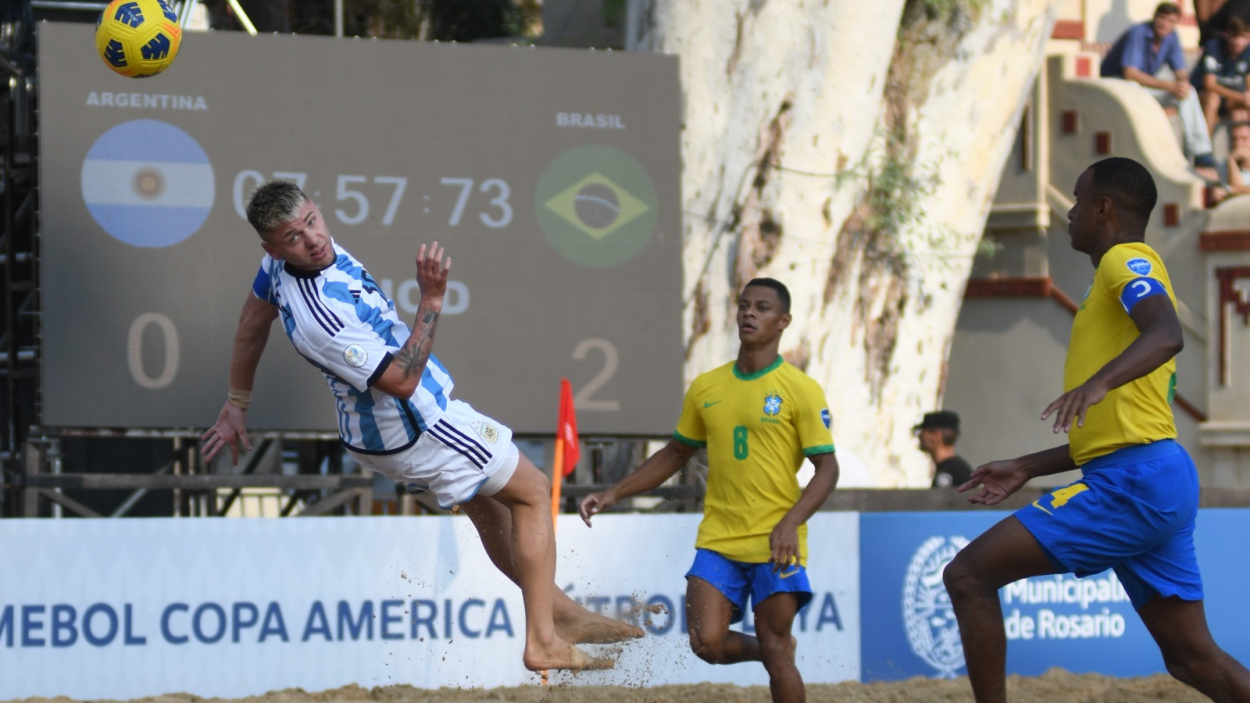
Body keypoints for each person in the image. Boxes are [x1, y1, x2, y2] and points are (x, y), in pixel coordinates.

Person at [200, 180, 640, 672]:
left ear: (315, 211)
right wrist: (431, 298)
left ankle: (561, 613)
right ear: (272, 246)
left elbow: (250, 325)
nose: (312, 238)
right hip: (414, 424)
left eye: (310, 222)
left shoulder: (277, 267)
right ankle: (545, 639)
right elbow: (404, 382)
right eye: (292, 237)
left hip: (375, 433)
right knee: (534, 491)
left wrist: (237, 401)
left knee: (489, 508)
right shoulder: (321, 318)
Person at [943, 157, 1250, 703]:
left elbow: (1167, 332)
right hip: (1151, 475)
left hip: (1134, 485)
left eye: (1078, 199)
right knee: (1191, 659)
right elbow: (1117, 435)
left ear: (1103, 208)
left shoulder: (1124, 260)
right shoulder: (1113, 278)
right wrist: (1026, 466)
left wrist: (1098, 382)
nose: (1069, 211)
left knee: (968, 576)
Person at [579, 278, 840, 703]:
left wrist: (792, 522)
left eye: (762, 308)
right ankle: (777, 653)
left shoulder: (801, 389)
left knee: (775, 650)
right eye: (743, 305)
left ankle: (777, 653)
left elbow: (827, 470)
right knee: (707, 644)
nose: (749, 313)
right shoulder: (707, 387)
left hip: (776, 541)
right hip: (719, 539)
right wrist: (615, 492)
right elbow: (674, 454)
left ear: (783, 321)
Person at [1102, 3, 1219, 177]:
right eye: (1161, 18)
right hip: (1116, 88)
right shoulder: (1138, 32)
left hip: (1142, 89)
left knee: (1188, 92)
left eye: (1171, 21)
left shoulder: (1172, 37)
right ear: (1154, 18)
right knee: (1135, 87)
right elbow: (1130, 74)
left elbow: (1180, 72)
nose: (1165, 24)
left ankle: (1201, 152)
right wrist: (1170, 86)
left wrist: (1180, 87)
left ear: (1176, 24)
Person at [1192, 16, 1250, 134]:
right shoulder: (1214, 47)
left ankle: (1243, 149)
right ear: (1226, 34)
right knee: (1213, 99)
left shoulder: (1247, 51)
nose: (1239, 42)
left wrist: (1246, 98)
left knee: (1243, 110)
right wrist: (1241, 98)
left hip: (1230, 98)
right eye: (1235, 36)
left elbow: (1248, 81)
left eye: (1243, 37)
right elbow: (1209, 85)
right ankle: (1205, 147)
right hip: (1202, 95)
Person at [914, 410, 973, 488]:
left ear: (936, 435)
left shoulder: (949, 472)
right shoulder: (959, 469)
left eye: (923, 431)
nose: (920, 436)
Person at [1211, 121, 1250, 202]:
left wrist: (1230, 190)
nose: (1238, 144)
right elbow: (1237, 200)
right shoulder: (1225, 165)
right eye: (1234, 139)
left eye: (1244, 138)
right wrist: (1232, 162)